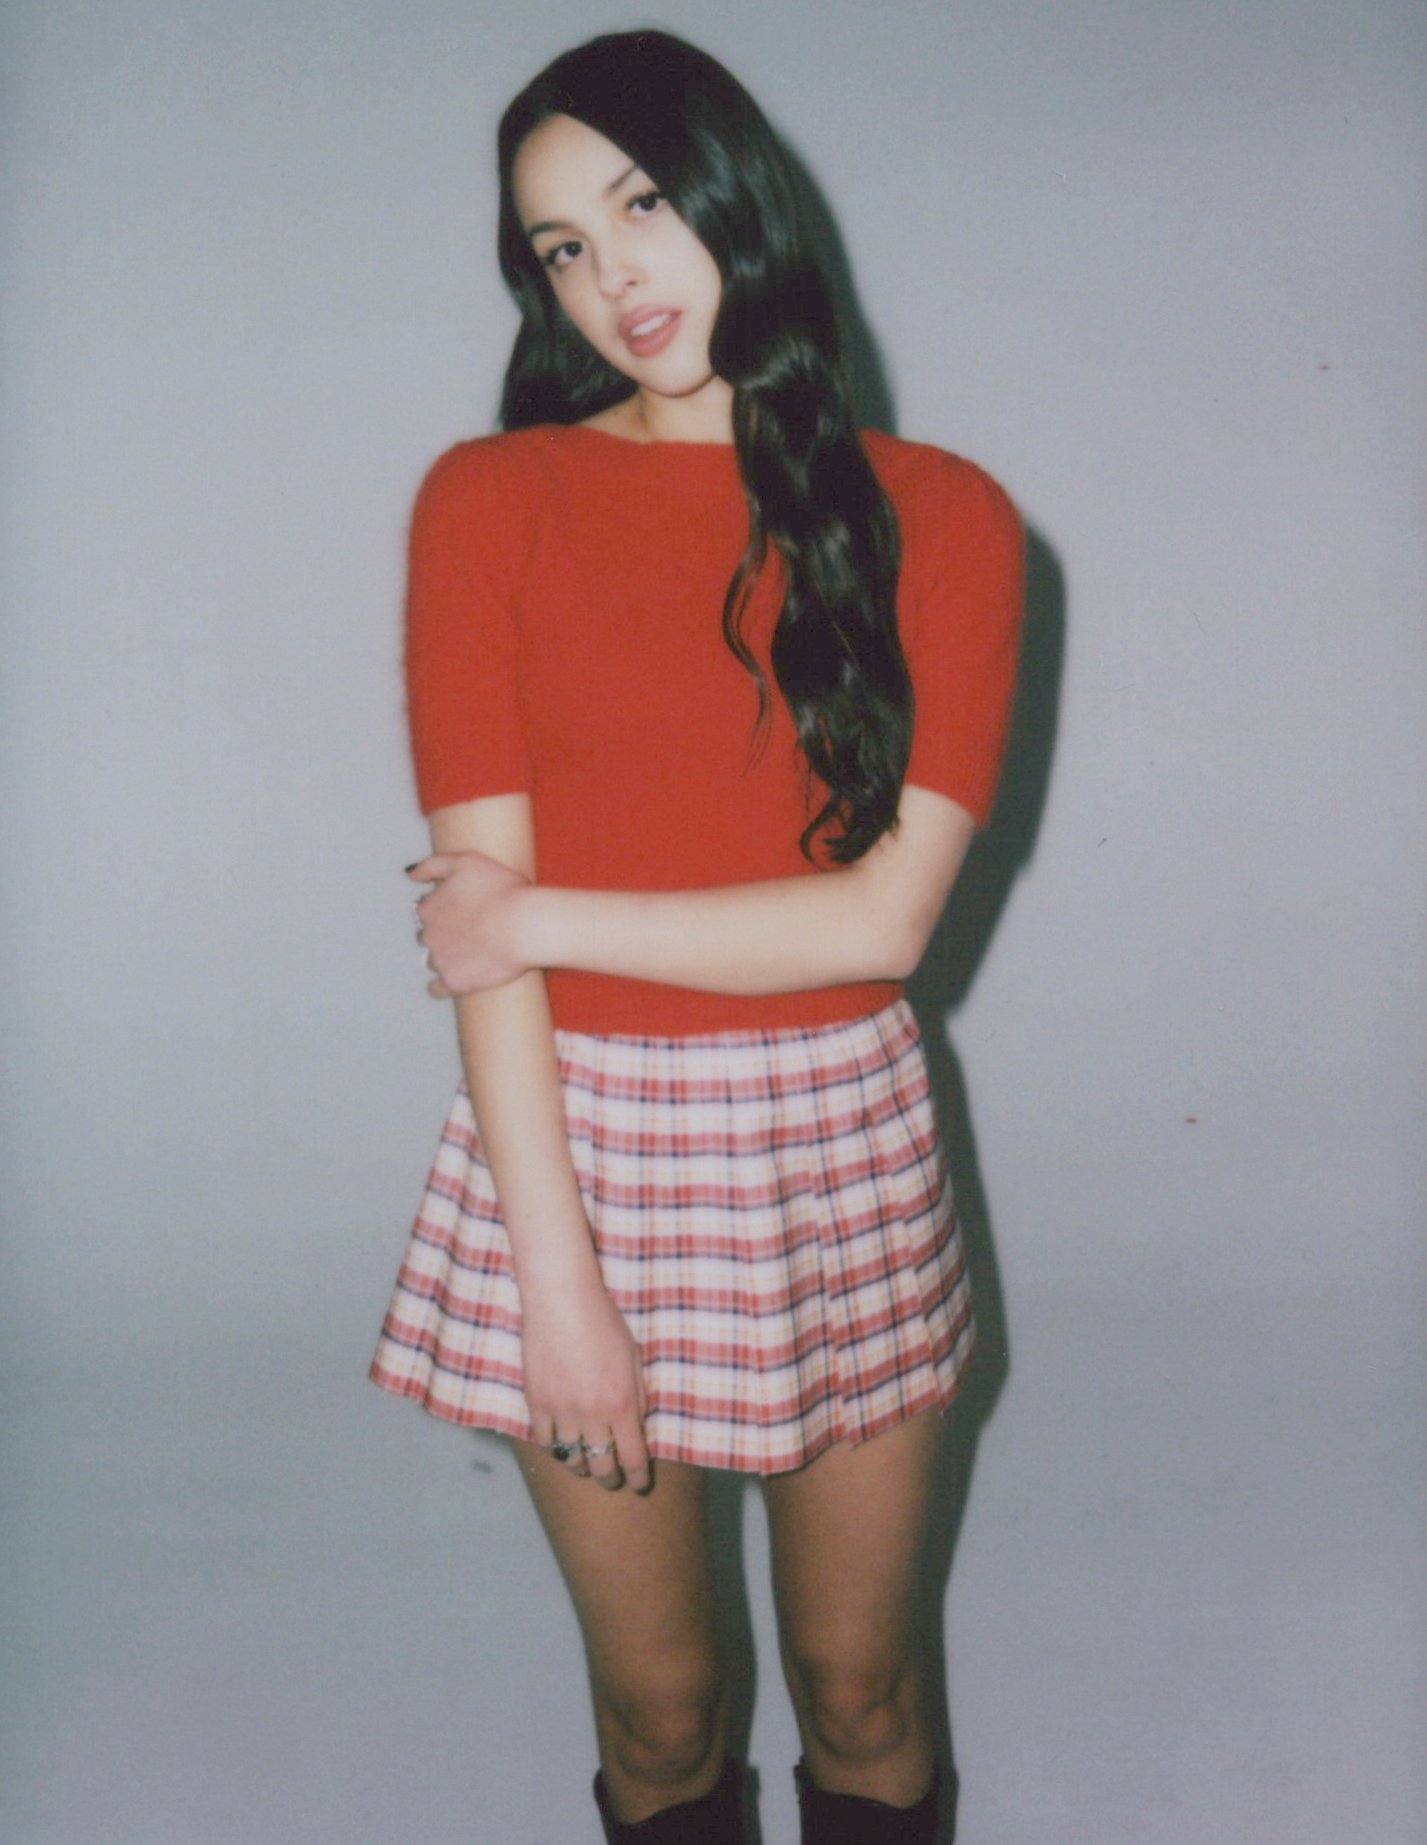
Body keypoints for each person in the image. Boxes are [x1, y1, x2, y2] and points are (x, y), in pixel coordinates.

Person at [370, 28, 1023, 1844]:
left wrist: (530, 911)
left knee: (863, 1685)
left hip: (840, 1134)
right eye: (562, 246)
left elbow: (884, 921)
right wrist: (559, 1286)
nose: (613, 274)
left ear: (739, 193)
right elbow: (487, 970)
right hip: (570, 1145)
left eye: (642, 204)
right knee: (660, 1714)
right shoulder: (489, 499)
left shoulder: (947, 515)